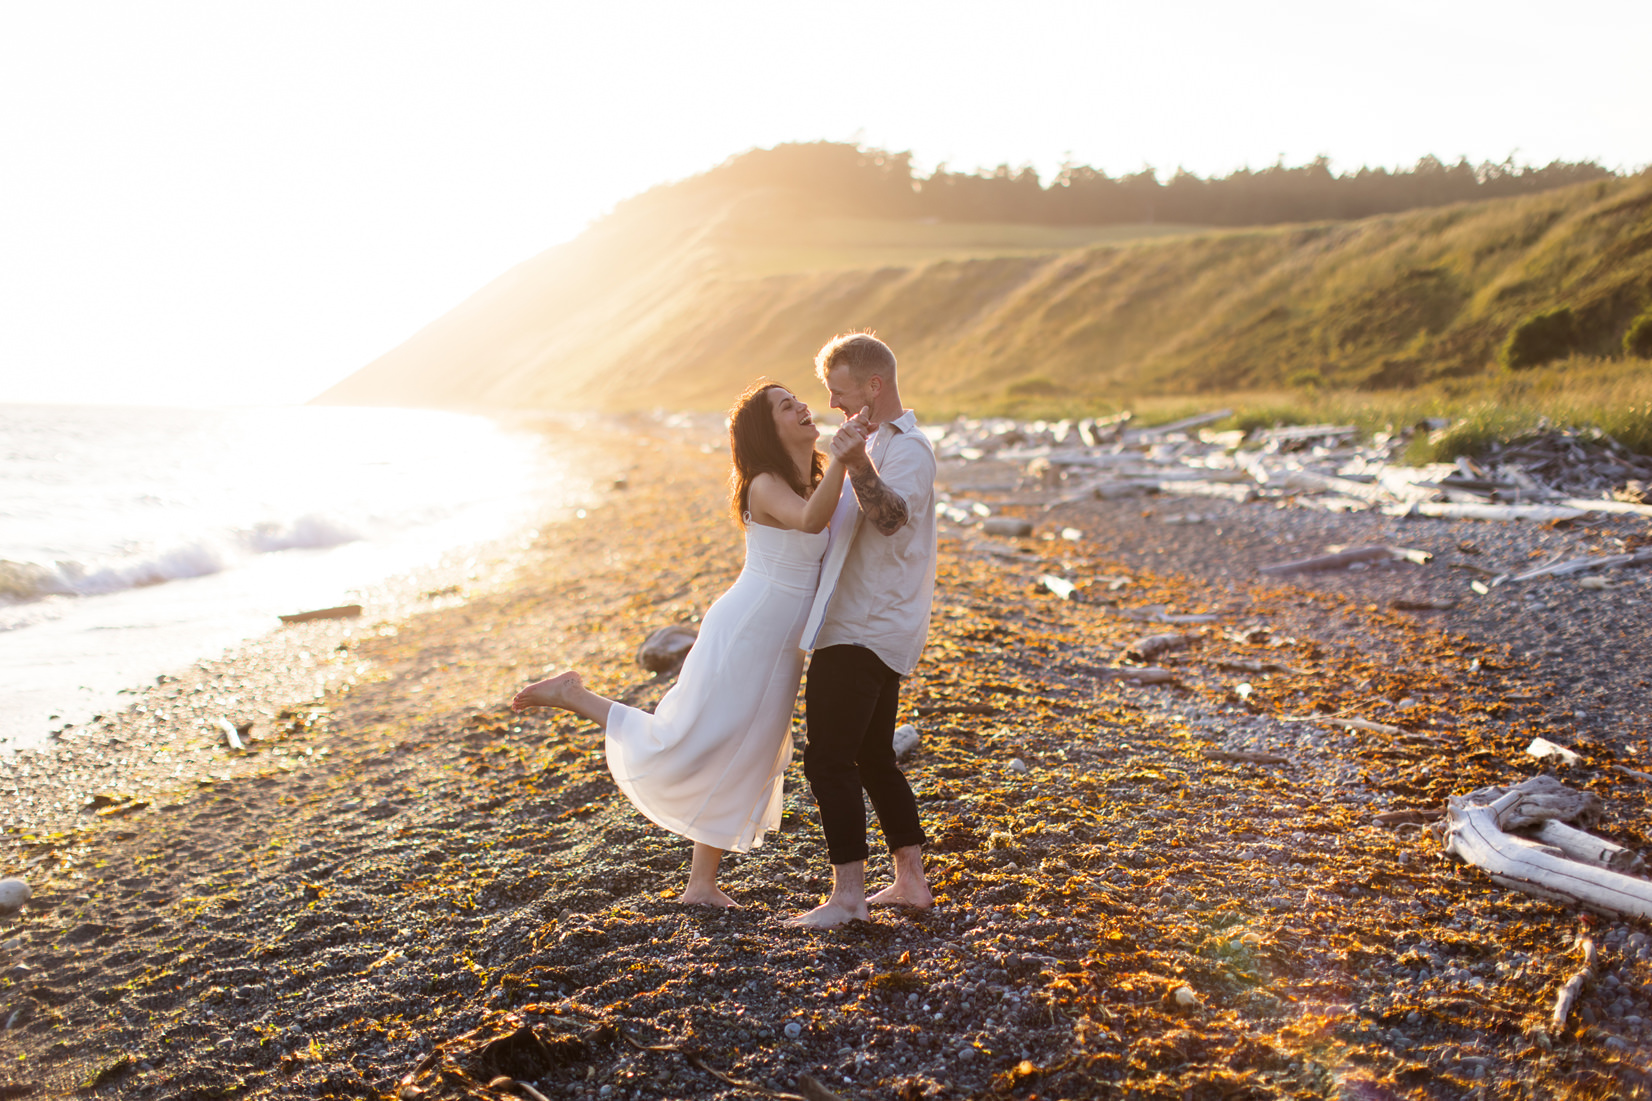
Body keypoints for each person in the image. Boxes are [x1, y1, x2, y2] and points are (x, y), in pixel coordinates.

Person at [510, 381, 855, 907]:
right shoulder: (765, 483)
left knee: (747, 749)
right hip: (749, 632)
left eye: (798, 400)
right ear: (768, 430)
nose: (803, 407)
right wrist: (846, 461)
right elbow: (810, 524)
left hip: (781, 645)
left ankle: (701, 884)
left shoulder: (807, 481)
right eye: (787, 406)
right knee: (693, 737)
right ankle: (575, 695)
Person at [789, 332, 938, 928]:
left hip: (866, 626)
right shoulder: (870, 438)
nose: (832, 405)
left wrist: (854, 461)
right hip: (859, 621)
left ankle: (848, 897)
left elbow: (891, 517)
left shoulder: (910, 449)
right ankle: (911, 882)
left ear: (874, 387)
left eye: (840, 392)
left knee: (828, 760)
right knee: (875, 756)